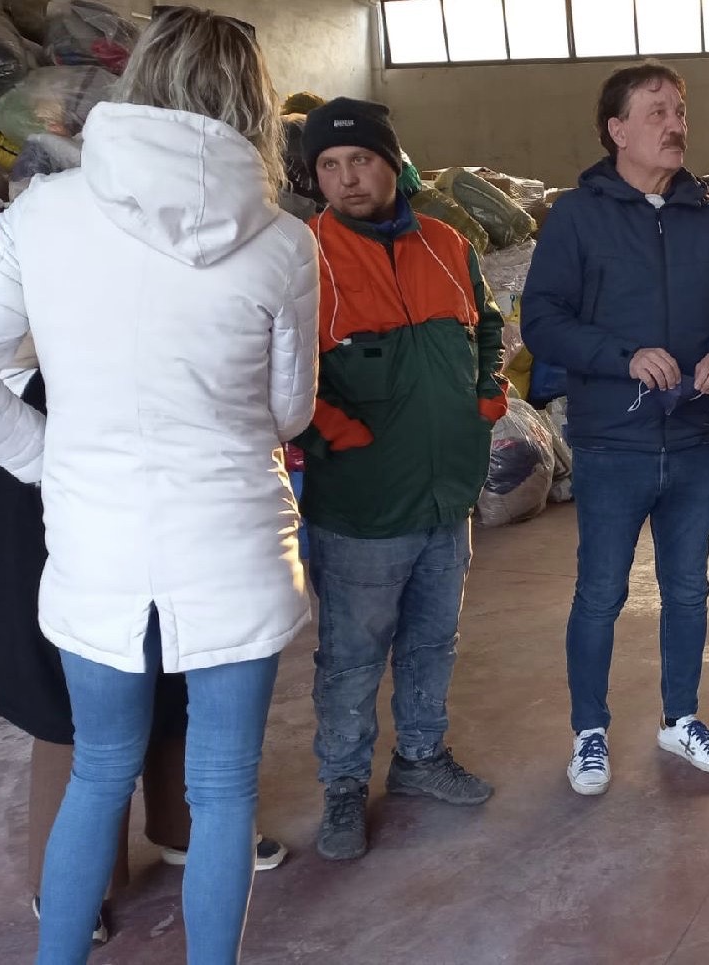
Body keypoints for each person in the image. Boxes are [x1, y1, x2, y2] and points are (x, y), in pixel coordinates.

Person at [0, 7, 319, 962]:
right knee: (224, 787)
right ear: (253, 101)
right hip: (234, 543)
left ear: (141, 77)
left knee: (97, 769)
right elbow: (288, 410)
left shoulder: (42, 215)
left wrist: (48, 457)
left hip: (96, 546)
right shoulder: (284, 242)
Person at [0, 365, 287, 948]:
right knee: (77, 688)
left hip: (182, 418)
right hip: (71, 423)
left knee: (188, 645)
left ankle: (184, 828)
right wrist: (41, 457)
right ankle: (78, 889)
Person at [522, 62, 709, 796]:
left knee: (688, 590)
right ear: (617, 130)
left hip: (689, 438)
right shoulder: (577, 217)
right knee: (601, 592)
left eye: (679, 110)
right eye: (656, 112)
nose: (674, 124)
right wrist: (623, 357)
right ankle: (589, 732)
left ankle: (680, 718)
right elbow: (542, 321)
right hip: (611, 443)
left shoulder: (708, 219)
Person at [292, 97, 507, 860]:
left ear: (392, 163)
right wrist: (328, 428)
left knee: (432, 640)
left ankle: (419, 756)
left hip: (448, 494)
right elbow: (273, 368)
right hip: (362, 504)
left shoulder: (447, 244)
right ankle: (343, 786)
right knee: (351, 656)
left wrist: (487, 392)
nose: (348, 178)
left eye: (361, 160)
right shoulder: (304, 258)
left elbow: (487, 324)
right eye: (330, 166)